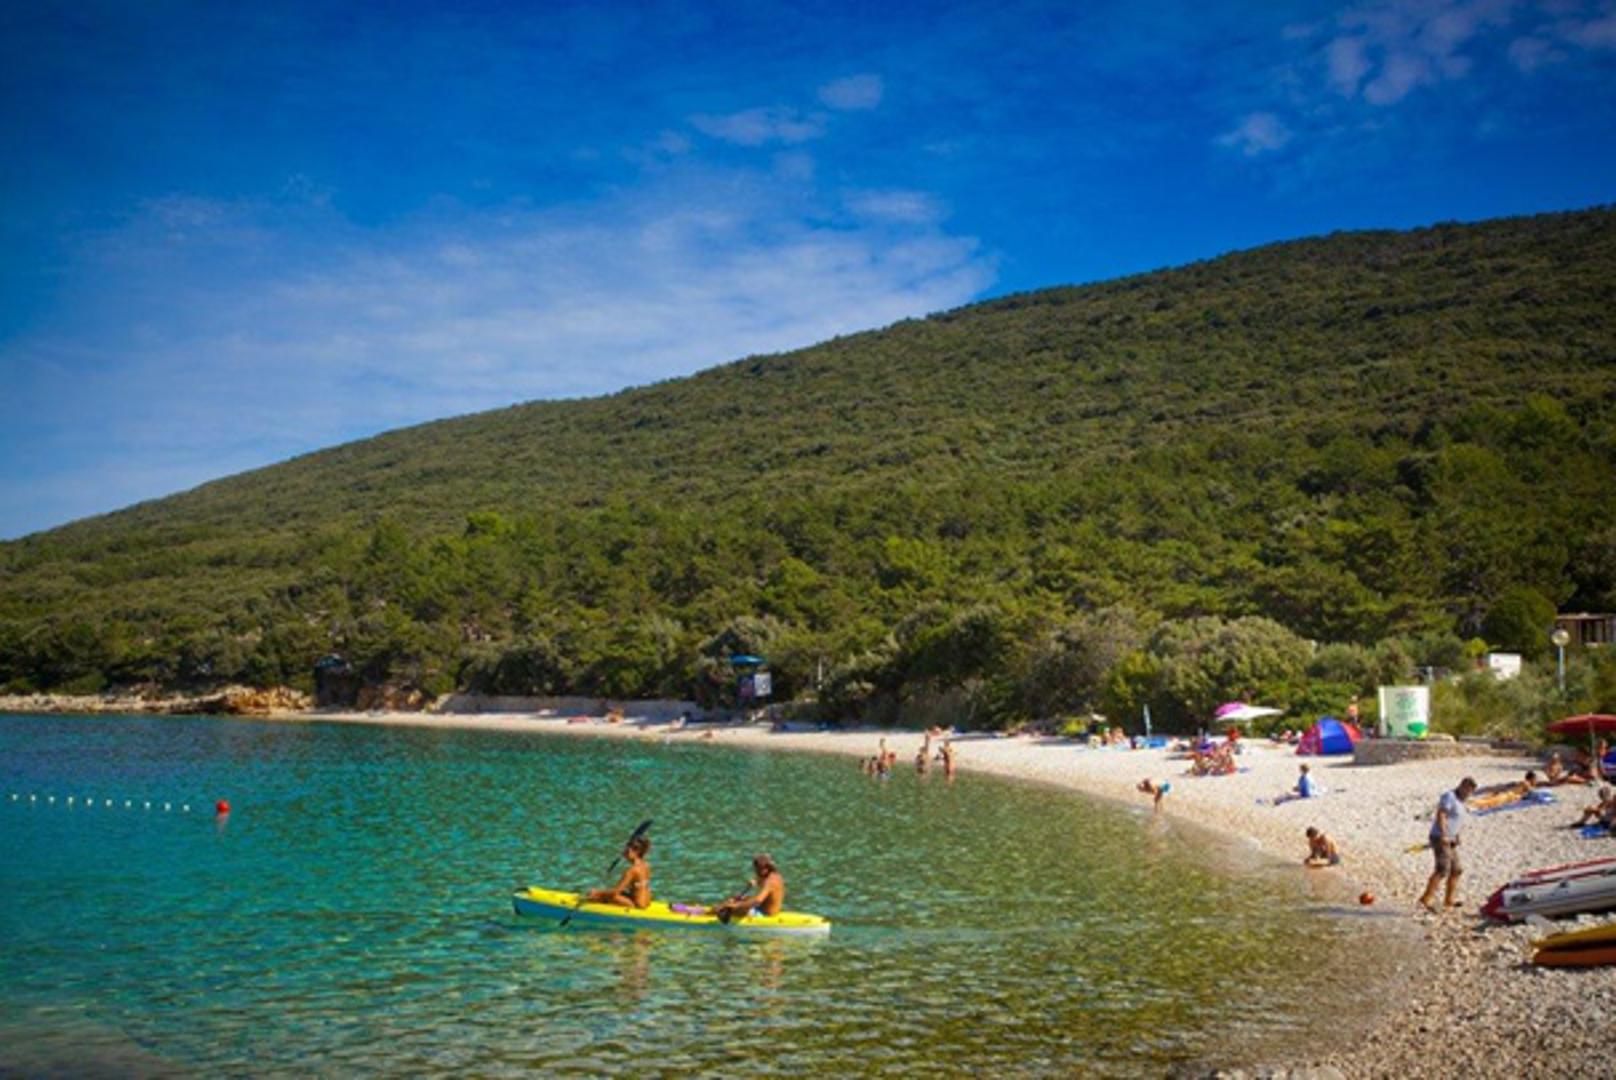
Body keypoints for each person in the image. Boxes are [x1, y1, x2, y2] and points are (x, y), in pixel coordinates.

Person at [1418, 776, 1478, 914]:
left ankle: (1449, 899)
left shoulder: (1461, 801)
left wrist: (1456, 836)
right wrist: (1444, 834)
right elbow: (1442, 814)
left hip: (1450, 839)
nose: (1468, 793)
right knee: (1442, 868)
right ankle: (1426, 899)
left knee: (1457, 869)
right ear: (1462, 785)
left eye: (1471, 791)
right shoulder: (1449, 796)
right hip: (1440, 837)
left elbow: (1455, 820)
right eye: (1467, 790)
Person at [710, 853, 786, 921]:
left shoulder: (771, 881)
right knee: (734, 900)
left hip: (765, 914)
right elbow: (757, 883)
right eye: (755, 869)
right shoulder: (773, 875)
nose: (756, 872)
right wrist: (740, 897)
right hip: (763, 908)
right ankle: (710, 911)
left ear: (765, 868)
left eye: (758, 869)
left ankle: (708, 913)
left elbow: (757, 901)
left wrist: (736, 906)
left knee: (729, 907)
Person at [584, 834, 652, 909]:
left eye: (632, 848)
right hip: (645, 903)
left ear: (638, 851)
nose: (627, 849)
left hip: (636, 906)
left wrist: (598, 892)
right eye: (628, 845)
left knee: (608, 896)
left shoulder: (632, 871)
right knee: (619, 893)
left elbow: (615, 893)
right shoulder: (646, 865)